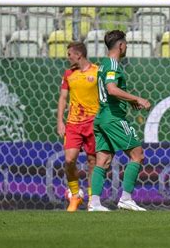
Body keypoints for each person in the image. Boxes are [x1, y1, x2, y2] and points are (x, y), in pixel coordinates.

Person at [88, 30, 151, 212]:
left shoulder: (103, 65)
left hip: (101, 117)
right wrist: (137, 98)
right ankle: (126, 198)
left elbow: (109, 92)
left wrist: (129, 101)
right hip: (113, 117)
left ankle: (95, 203)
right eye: (126, 44)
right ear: (121, 45)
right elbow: (112, 89)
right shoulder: (113, 64)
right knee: (137, 154)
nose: (127, 47)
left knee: (104, 160)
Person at [57, 42, 99, 212]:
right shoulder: (69, 74)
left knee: (92, 161)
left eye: (69, 54)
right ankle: (75, 195)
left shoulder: (97, 72)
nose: (68, 58)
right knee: (69, 160)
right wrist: (60, 121)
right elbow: (62, 98)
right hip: (73, 124)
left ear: (78, 55)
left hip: (93, 123)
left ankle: (91, 200)